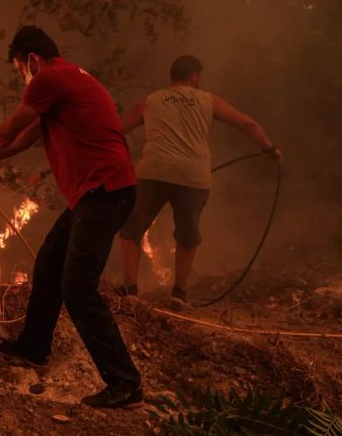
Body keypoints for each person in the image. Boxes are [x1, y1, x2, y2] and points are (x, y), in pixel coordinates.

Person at [0, 26, 143, 409]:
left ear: (32, 60)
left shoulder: (50, 78)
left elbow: (5, 134)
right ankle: (34, 348)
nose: (22, 79)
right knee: (50, 263)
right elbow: (20, 142)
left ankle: (126, 383)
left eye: (19, 70)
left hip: (104, 192)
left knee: (78, 287)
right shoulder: (67, 81)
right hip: (99, 193)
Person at [116, 55, 281, 303]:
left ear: (173, 76)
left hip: (153, 173)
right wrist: (269, 149)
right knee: (187, 235)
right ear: (195, 76)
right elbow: (247, 123)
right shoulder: (208, 100)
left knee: (132, 230)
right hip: (193, 177)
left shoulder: (150, 101)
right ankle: (179, 293)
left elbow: (116, 131)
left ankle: (129, 290)